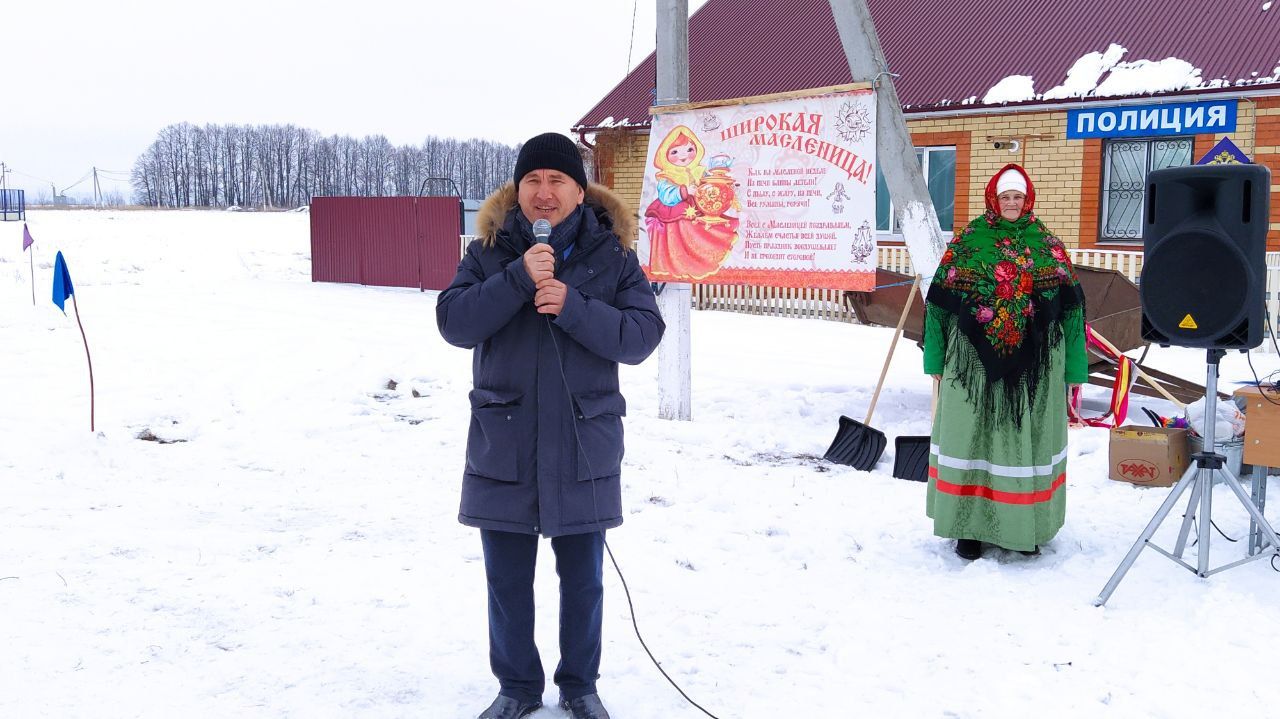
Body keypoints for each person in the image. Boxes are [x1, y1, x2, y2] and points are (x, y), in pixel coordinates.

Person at [436, 132, 665, 719]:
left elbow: (642, 336)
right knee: (507, 583)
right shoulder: (489, 249)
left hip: (582, 445)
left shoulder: (611, 255)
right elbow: (455, 322)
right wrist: (516, 278)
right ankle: (515, 687)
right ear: (519, 190)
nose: (544, 192)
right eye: (532, 181)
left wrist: (573, 306)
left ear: (578, 190)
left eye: (556, 180)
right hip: (504, 443)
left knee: (583, 582)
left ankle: (579, 686)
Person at [923, 163, 1086, 561]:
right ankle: (968, 529)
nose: (1011, 203)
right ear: (993, 199)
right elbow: (939, 306)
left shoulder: (1046, 244)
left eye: (1017, 197)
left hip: (1038, 366)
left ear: (1027, 199)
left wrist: (1075, 368)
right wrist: (935, 358)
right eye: (1005, 197)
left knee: (1026, 443)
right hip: (971, 366)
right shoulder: (969, 241)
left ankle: (1024, 527)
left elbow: (1071, 310)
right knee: (970, 438)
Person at [643, 125, 739, 280]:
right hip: (674, 213)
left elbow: (712, 185)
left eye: (689, 149)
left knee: (707, 228)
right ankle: (679, 263)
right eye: (675, 152)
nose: (684, 156)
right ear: (664, 155)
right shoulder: (666, 175)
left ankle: (704, 257)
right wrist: (684, 191)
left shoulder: (700, 171)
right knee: (684, 226)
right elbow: (666, 195)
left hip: (698, 207)